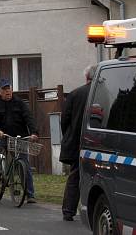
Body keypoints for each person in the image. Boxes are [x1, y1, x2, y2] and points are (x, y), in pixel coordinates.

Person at [0, 79, 39, 203]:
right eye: (5, 90)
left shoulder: (20, 103)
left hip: (20, 137)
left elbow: (29, 117)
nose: (8, 91)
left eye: (9, 89)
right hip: (3, 136)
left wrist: (34, 132)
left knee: (24, 164)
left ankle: (30, 194)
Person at [60, 64, 95, 221]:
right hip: (98, 142)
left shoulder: (75, 94)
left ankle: (68, 210)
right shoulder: (104, 93)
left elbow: (64, 120)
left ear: (86, 77)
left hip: (77, 143)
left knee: (75, 176)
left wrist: (69, 136)